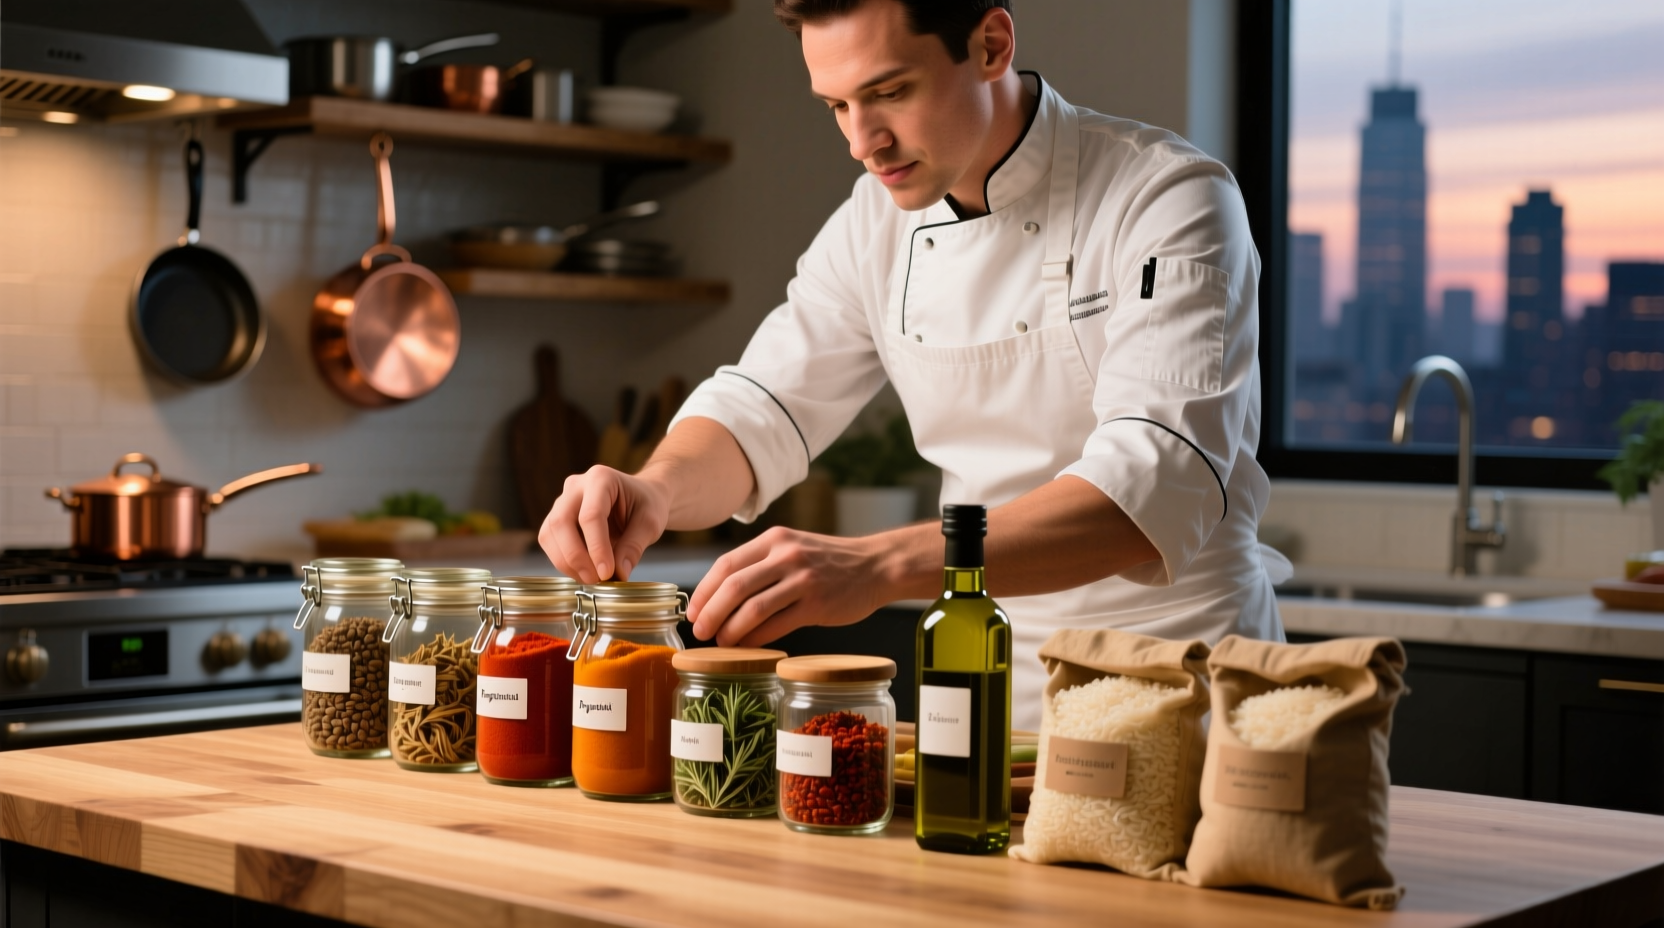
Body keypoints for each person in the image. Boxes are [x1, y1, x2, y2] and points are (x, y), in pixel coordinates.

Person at [541, 0, 1283, 729]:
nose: (864, 142)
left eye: (889, 92)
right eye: (836, 106)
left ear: (990, 43)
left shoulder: (1167, 197)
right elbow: (762, 407)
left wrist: (880, 565)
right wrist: (655, 489)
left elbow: (1153, 486)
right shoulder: (872, 223)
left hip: (1176, 684)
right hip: (982, 692)